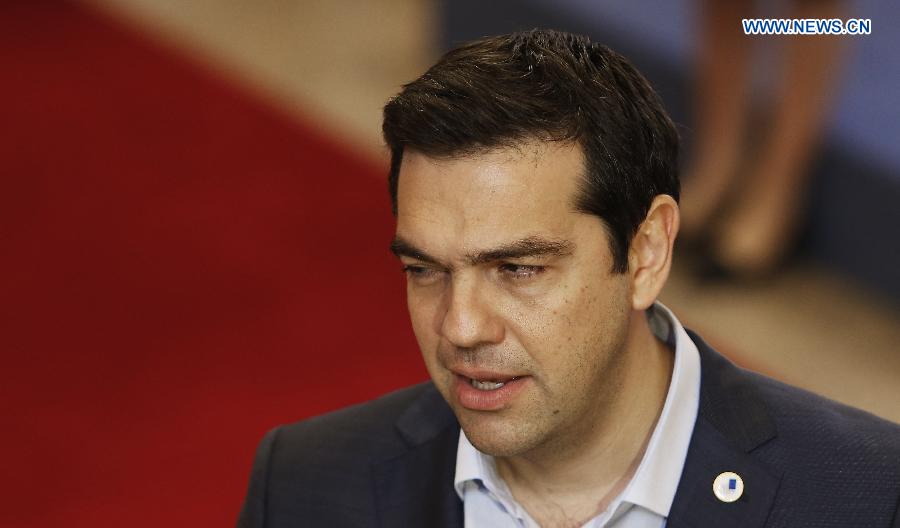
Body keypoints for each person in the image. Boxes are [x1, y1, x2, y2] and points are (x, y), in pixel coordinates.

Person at [237, 30, 900, 527]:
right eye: (425, 270)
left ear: (644, 253)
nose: (460, 327)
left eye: (518, 269)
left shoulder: (867, 495)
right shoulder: (304, 487)